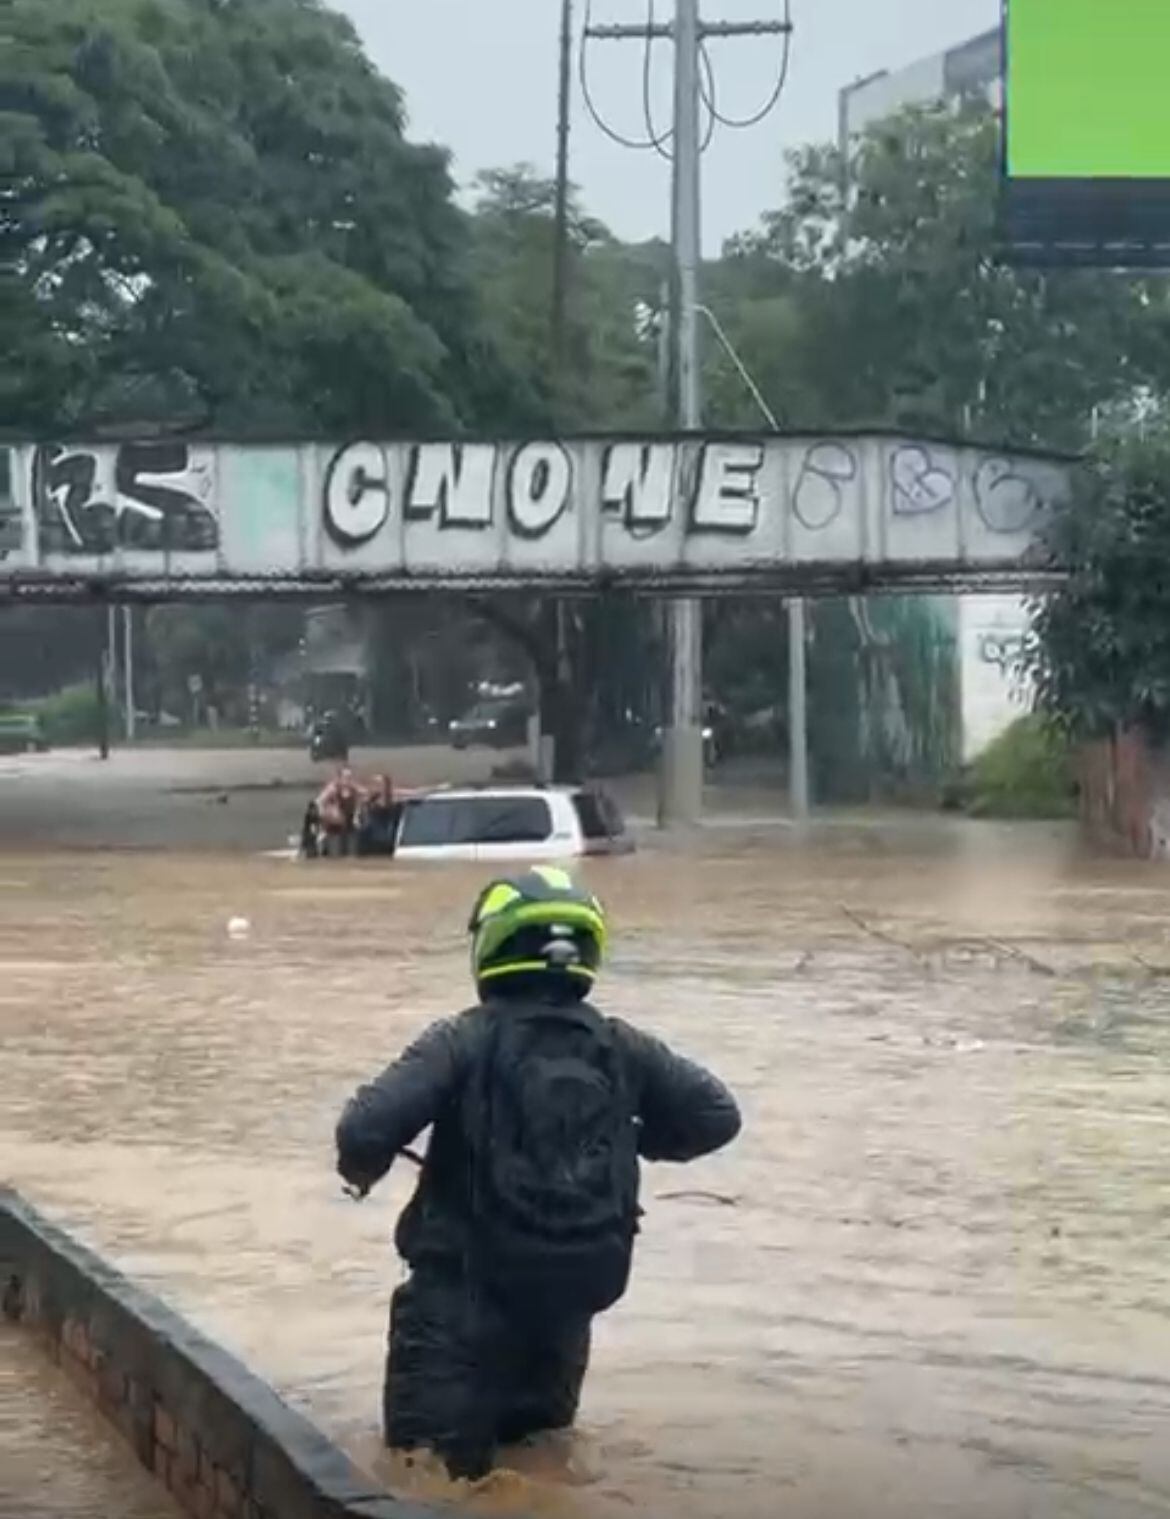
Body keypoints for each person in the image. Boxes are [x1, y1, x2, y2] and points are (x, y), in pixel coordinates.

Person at [335, 867, 742, 1482]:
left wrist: (363, 1171)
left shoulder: (463, 1039)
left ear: (493, 944)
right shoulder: (622, 1046)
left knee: (422, 1481)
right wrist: (633, 1140)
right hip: (564, 1316)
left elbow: (364, 1129)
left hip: (454, 1318)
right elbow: (717, 1116)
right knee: (540, 1472)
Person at [316, 766, 363, 857]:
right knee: (336, 856)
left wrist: (358, 815)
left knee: (352, 856)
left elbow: (365, 796)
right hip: (335, 828)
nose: (347, 780)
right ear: (340, 778)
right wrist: (326, 815)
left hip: (350, 827)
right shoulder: (333, 789)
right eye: (345, 777)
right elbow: (318, 802)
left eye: (350, 777)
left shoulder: (354, 789)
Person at [357, 774, 400, 858]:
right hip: (367, 842)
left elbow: (384, 805)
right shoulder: (368, 802)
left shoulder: (389, 803)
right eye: (374, 784)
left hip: (384, 842)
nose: (375, 787)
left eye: (379, 784)